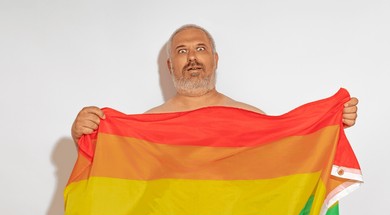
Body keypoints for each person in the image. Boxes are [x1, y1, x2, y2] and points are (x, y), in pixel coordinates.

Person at [71, 24, 358, 145]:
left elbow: (290, 162)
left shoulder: (251, 117)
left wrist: (329, 124)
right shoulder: (147, 125)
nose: (192, 57)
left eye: (201, 49)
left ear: (215, 59)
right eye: (182, 51)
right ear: (170, 65)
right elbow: (115, 183)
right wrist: (84, 137)